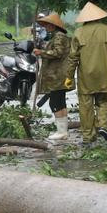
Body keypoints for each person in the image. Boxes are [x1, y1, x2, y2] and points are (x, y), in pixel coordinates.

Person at [65, 2, 107, 145]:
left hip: (86, 77)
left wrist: (69, 76)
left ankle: (88, 137)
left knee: (85, 107)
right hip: (104, 75)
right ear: (99, 17)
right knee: (103, 102)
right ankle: (103, 126)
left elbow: (73, 58)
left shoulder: (79, 33)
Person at [33, 12, 71, 140]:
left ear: (54, 25)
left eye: (48, 24)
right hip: (60, 75)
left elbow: (58, 53)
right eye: (46, 25)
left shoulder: (59, 37)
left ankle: (61, 132)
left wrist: (41, 52)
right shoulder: (58, 36)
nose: (46, 27)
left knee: (55, 102)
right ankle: (63, 131)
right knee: (60, 102)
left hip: (57, 75)